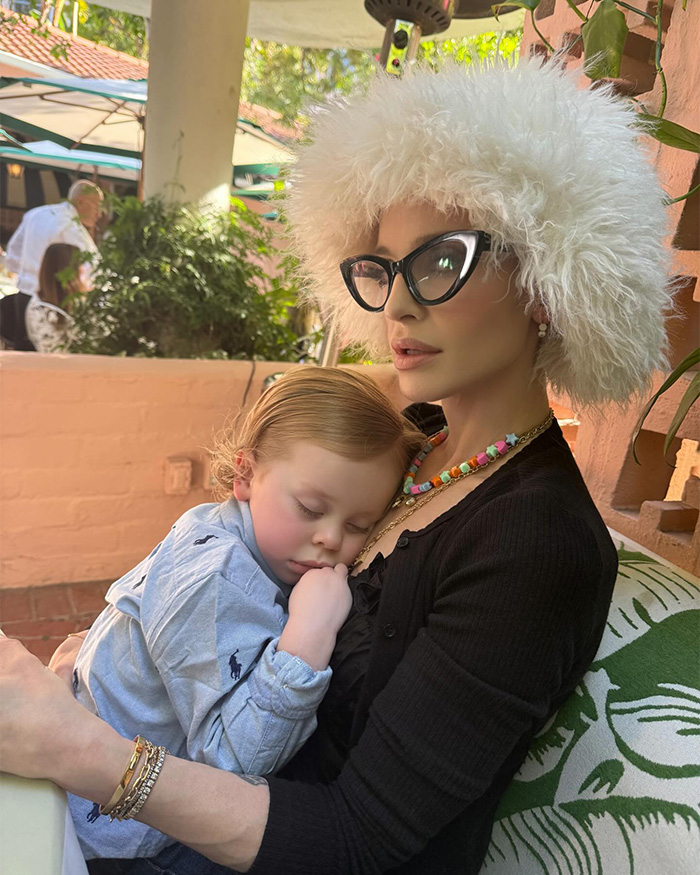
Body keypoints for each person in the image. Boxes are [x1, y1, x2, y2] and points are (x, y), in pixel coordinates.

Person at [0, 58, 673, 875]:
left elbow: (358, 842)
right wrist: (113, 675)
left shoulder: (536, 543)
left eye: (440, 258)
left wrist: (88, 751)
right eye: (384, 267)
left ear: (546, 280)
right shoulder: (414, 441)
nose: (396, 303)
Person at [63, 366, 423, 860]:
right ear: (246, 474)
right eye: (310, 508)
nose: (332, 540)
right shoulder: (216, 577)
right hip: (122, 843)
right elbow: (231, 766)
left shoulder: (236, 539)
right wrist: (309, 634)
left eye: (360, 524)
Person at [5, 179, 101, 305]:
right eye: (96, 207)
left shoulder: (34, 214)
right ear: (80, 201)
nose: (99, 214)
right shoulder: (70, 227)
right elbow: (93, 271)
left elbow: (12, 258)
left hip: (22, 297)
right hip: (50, 302)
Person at [24, 242, 84, 353]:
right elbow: (55, 353)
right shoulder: (40, 310)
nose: (82, 270)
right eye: (79, 265)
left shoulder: (75, 302)